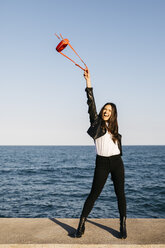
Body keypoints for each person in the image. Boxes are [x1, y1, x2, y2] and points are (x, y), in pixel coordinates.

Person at [74, 68, 127, 239]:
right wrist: (88, 81)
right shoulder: (97, 124)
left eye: (109, 110)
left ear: (113, 114)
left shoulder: (115, 129)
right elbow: (91, 103)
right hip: (102, 163)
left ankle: (123, 225)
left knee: (120, 194)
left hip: (117, 162)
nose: (106, 111)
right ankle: (81, 225)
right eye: (105, 109)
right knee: (93, 194)